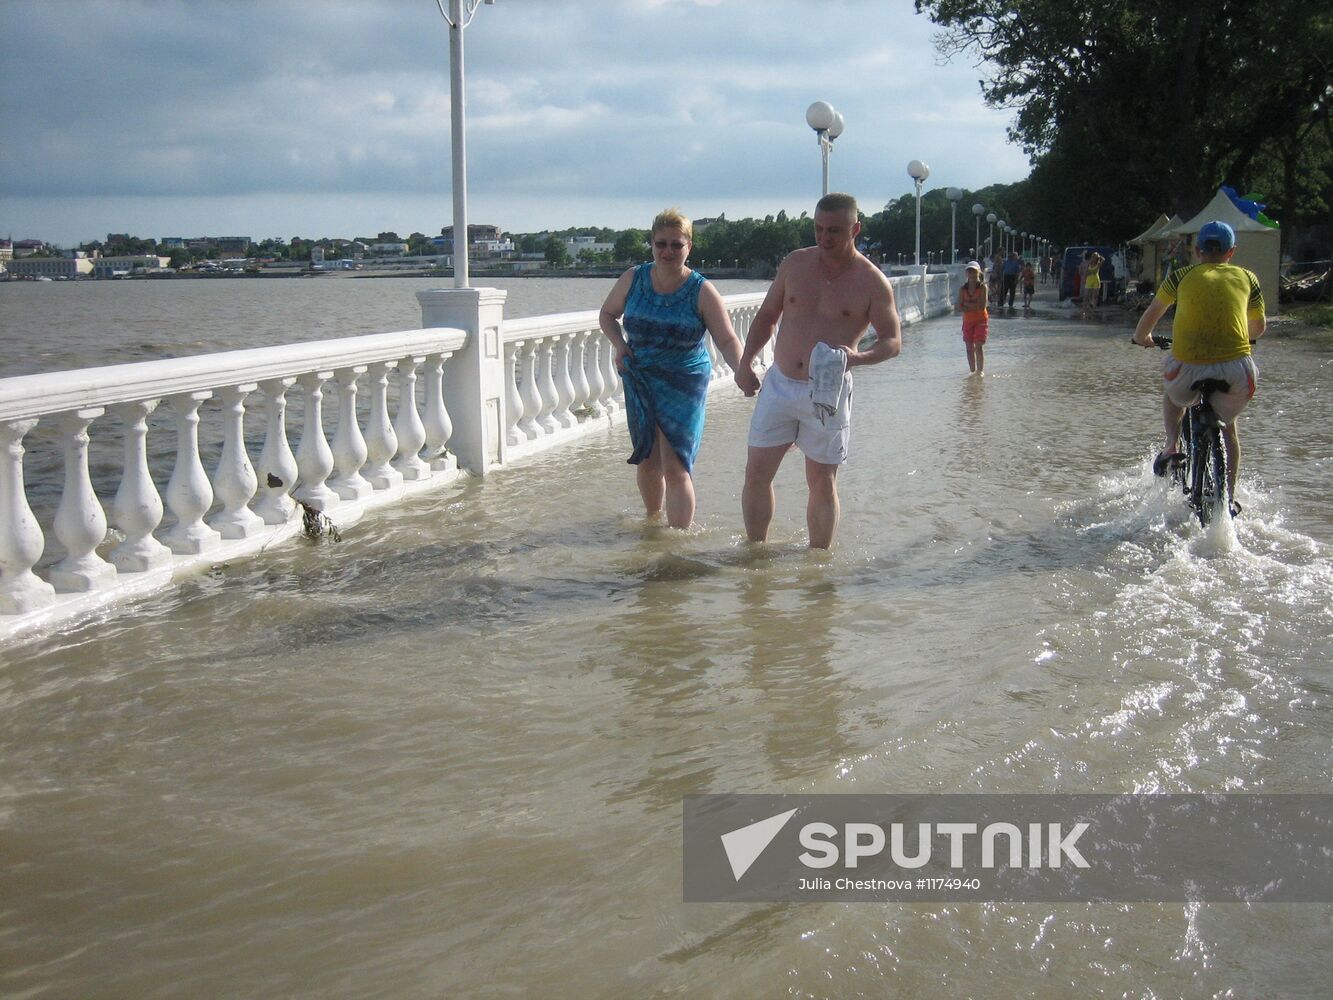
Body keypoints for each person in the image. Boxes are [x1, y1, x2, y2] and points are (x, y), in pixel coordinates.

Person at [733, 193, 902, 549]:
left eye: (835, 231)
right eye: (819, 229)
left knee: (822, 481)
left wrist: (857, 357)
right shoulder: (795, 264)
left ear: (855, 229)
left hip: (828, 391)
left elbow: (892, 341)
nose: (825, 238)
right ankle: (755, 552)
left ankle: (818, 564)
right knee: (756, 474)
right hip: (780, 383)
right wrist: (746, 362)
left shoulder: (872, 281)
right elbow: (766, 316)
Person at [599, 208, 747, 529]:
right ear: (651, 244)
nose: (667, 251)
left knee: (676, 465)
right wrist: (620, 345)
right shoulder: (633, 278)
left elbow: (726, 337)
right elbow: (607, 315)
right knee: (648, 459)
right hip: (640, 377)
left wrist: (743, 371)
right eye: (661, 244)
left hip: (684, 380)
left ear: (689, 247)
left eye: (676, 245)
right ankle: (653, 524)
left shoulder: (701, 290)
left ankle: (678, 540)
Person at [1132, 220, 1265, 510]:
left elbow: (1150, 317)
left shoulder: (1179, 277)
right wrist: (1241, 336)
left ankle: (1171, 446)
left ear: (1197, 251)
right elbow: (1259, 328)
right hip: (1236, 372)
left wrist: (1144, 339)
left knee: (1171, 394)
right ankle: (1228, 498)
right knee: (1229, 428)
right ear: (1231, 252)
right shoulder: (1247, 277)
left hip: (1187, 369)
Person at [957, 260, 989, 375]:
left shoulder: (983, 288)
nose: (972, 274)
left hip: (981, 320)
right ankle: (972, 372)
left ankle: (980, 372)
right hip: (968, 321)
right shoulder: (963, 289)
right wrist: (972, 306)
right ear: (966, 274)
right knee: (969, 348)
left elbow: (982, 306)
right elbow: (958, 307)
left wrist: (967, 305)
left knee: (978, 346)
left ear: (978, 273)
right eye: (969, 271)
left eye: (974, 272)